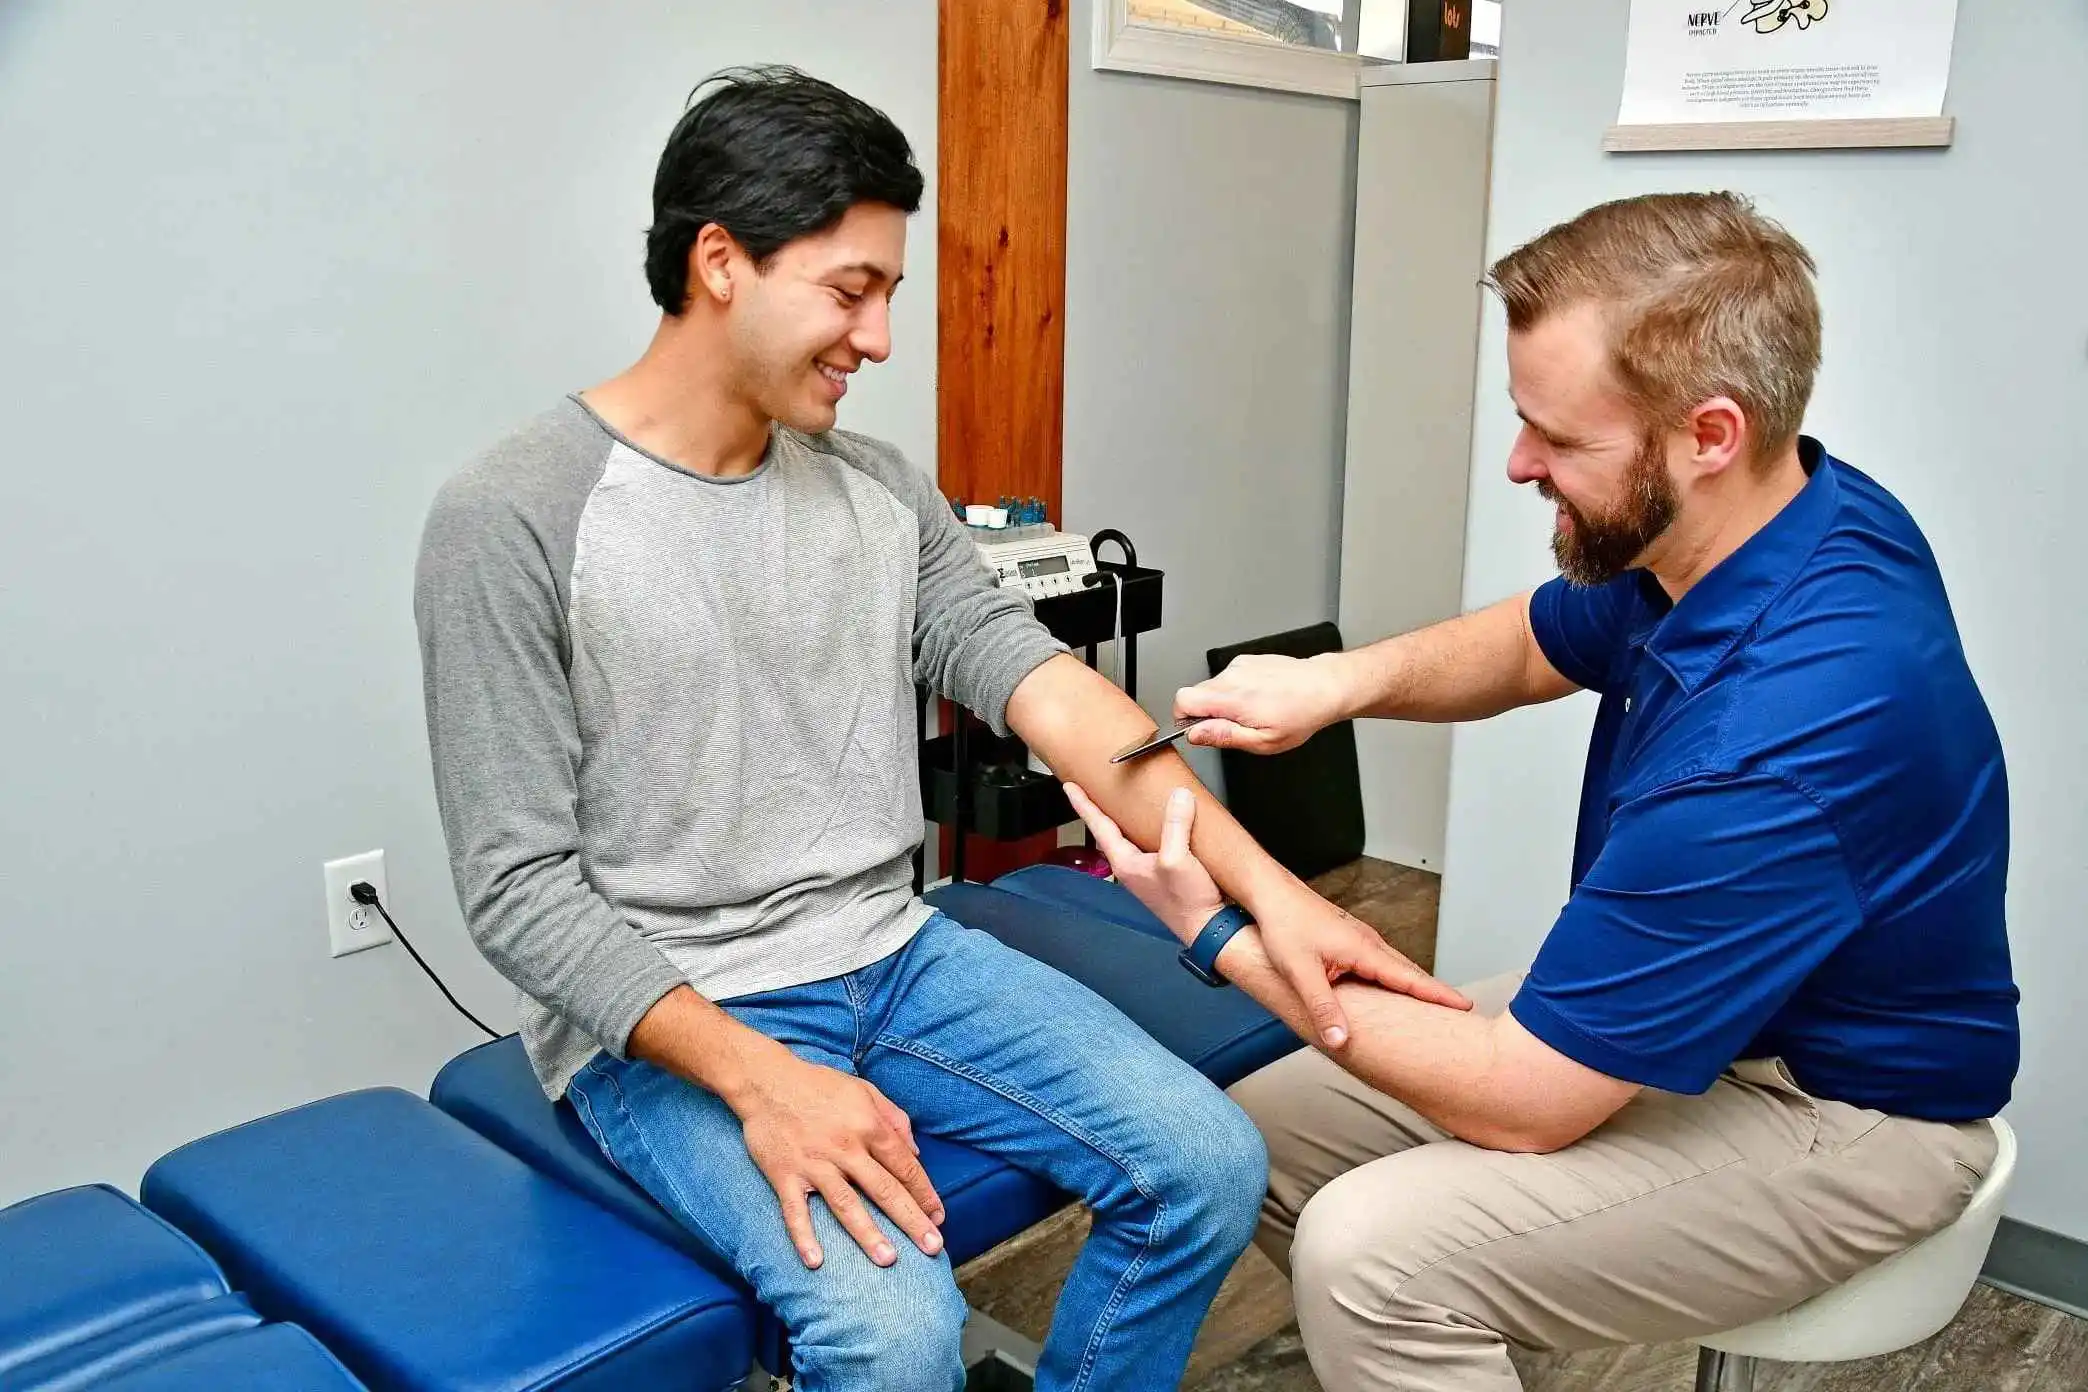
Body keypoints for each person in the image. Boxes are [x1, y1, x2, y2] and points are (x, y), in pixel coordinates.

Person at [413, 66, 1452, 1392]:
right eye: (853, 290)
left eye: (889, 293)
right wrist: (757, 1080)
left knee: (1207, 1165)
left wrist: (1268, 901)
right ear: (721, 262)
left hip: (895, 956)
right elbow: (515, 889)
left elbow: (1055, 693)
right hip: (674, 1012)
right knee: (898, 1340)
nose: (882, 338)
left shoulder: (879, 492)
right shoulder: (510, 517)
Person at [1064, 191, 2019, 1392]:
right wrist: (1334, 683)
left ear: (1709, 433)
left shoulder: (1782, 734)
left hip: (1844, 1114)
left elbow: (1527, 1104)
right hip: (1722, 1013)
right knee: (1245, 1135)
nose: (1522, 464)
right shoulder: (1772, 517)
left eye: (1560, 441)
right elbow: (1533, 641)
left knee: (1373, 1261)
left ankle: (1439, 1312)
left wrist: (1217, 925)